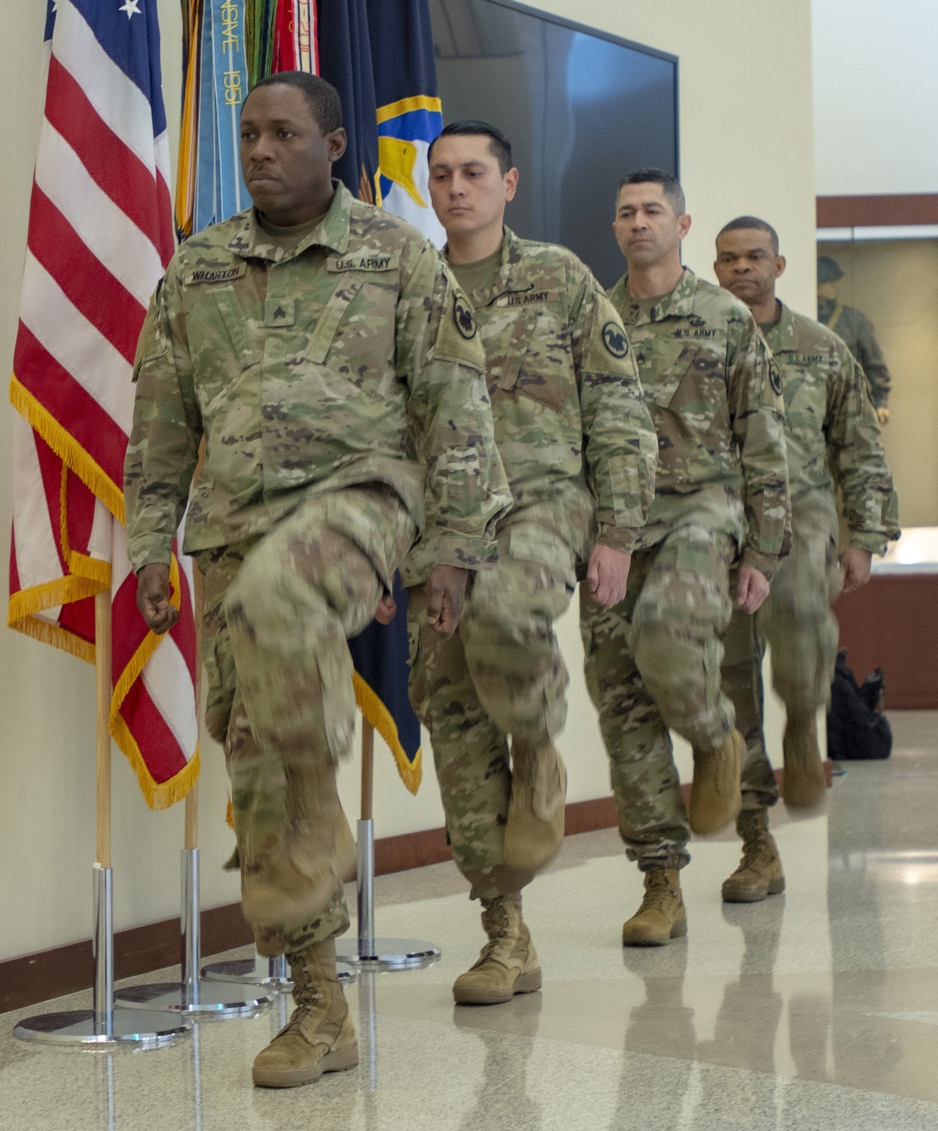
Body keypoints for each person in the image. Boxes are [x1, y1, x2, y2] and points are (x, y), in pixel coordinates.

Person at [124, 73, 510, 1088]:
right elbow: (163, 423)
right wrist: (149, 547)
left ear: (334, 145)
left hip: (359, 499)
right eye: (248, 133)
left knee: (284, 601)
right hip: (230, 533)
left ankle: (314, 784)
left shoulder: (396, 258)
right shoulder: (196, 270)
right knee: (254, 772)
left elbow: (456, 409)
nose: (258, 149)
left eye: (283, 132)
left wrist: (455, 551)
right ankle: (320, 1010)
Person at [408, 121, 657, 1003]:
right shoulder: (407, 286)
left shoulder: (558, 279)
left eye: (473, 172)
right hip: (437, 526)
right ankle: (506, 934)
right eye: (440, 175)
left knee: (509, 613)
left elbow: (619, 404)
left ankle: (543, 743)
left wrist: (619, 530)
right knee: (455, 720)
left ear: (510, 183)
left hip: (540, 502)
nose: (455, 189)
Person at [580, 170, 791, 946]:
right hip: (613, 530)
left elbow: (763, 437)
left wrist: (765, 548)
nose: (640, 223)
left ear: (682, 222)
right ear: (616, 227)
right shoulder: (592, 318)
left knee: (670, 640)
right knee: (621, 701)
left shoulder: (724, 317)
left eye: (653, 211)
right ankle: (659, 882)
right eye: (627, 211)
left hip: (701, 513)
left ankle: (713, 737)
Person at [715, 218, 899, 900]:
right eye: (729, 258)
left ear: (780, 264)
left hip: (802, 514)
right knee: (731, 683)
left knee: (796, 617)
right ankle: (756, 843)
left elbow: (858, 445)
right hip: (722, 522)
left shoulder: (821, 348)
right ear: (715, 266)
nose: (742, 269)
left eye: (755, 256)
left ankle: (801, 716)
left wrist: (865, 537)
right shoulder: (703, 343)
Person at [817, 256, 893, 424]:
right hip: (811, 405)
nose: (834, 286)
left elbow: (874, 363)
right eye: (828, 281)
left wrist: (881, 402)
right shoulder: (803, 318)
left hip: (848, 404)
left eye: (835, 281)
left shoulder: (854, 321)